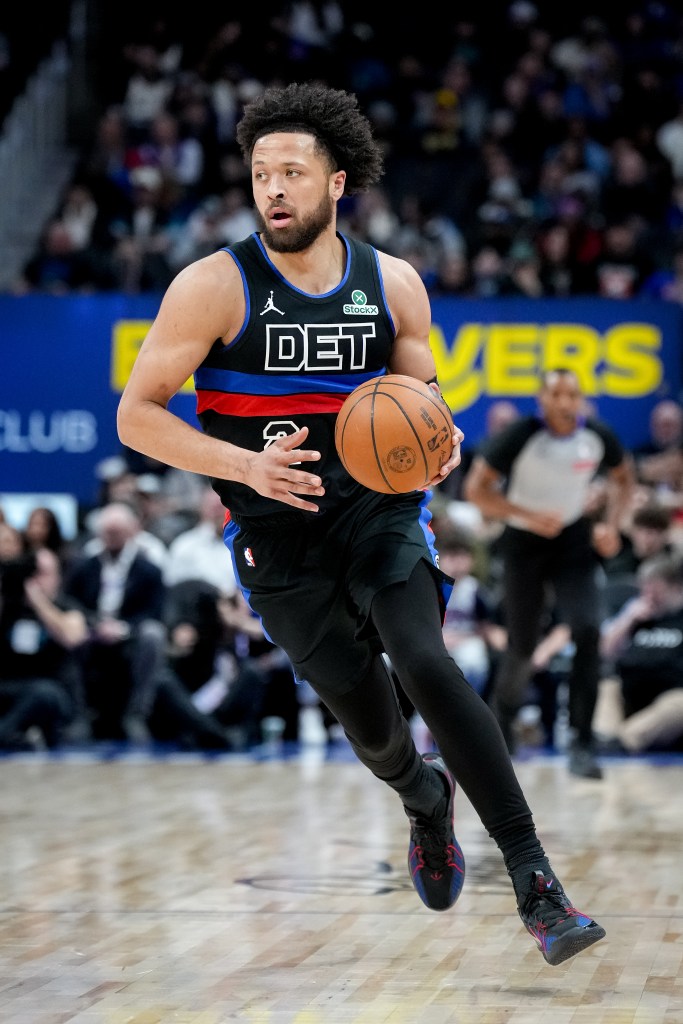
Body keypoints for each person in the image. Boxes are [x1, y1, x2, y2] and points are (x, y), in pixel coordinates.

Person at [117, 81, 605, 966]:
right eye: (261, 171)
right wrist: (244, 466)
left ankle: (536, 882)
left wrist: (442, 436)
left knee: (424, 660)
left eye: (292, 171)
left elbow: (422, 399)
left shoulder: (394, 283)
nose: (272, 187)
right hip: (276, 534)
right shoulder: (212, 286)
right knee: (374, 728)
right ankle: (423, 799)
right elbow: (136, 416)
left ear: (336, 181)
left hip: (379, 515)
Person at [463, 367, 634, 780]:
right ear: (541, 399)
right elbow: (476, 491)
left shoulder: (596, 435)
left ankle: (581, 743)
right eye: (555, 394)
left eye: (571, 394)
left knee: (588, 628)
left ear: (580, 399)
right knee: (522, 646)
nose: (563, 402)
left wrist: (613, 525)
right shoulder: (519, 435)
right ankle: (500, 730)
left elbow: (623, 479)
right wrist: (526, 516)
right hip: (523, 544)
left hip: (572, 540)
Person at [0, 547, 88, 749]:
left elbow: (72, 637)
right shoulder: (9, 606)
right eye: (31, 573)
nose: (36, 579)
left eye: (43, 573)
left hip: (50, 691)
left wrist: (39, 602)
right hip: (11, 687)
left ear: (57, 577)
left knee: (43, 693)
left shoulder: (66, 606)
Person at [595, 552, 683, 754]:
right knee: (606, 686)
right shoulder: (637, 615)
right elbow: (605, 652)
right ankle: (606, 739)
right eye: (645, 588)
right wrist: (628, 620)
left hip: (670, 697)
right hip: (630, 695)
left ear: (676, 588)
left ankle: (624, 739)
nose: (648, 595)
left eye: (655, 589)